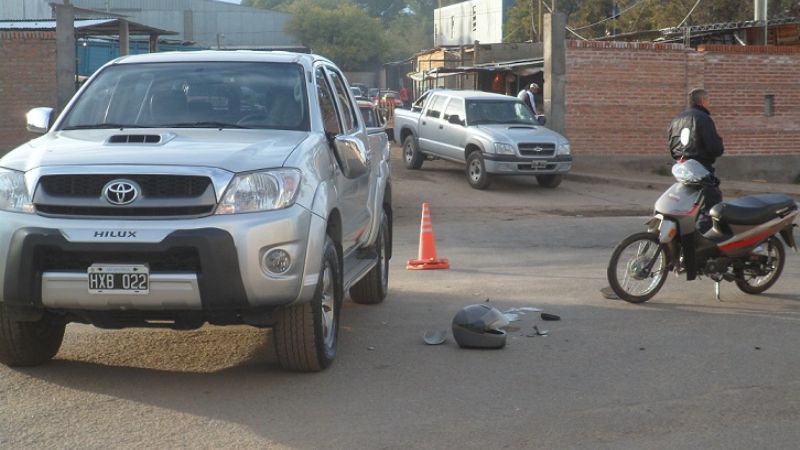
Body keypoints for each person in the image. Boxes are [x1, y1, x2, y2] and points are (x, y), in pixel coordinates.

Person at [667, 88, 725, 232]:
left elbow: (672, 144)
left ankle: (686, 232)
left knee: (688, 203)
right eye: (708, 100)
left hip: (681, 168)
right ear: (703, 101)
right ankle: (705, 239)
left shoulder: (677, 119)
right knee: (712, 204)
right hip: (700, 168)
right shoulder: (703, 119)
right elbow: (715, 147)